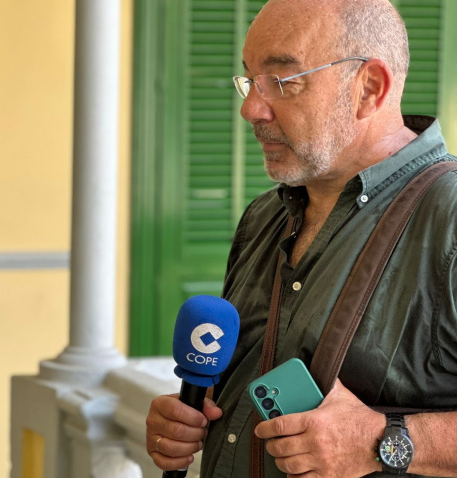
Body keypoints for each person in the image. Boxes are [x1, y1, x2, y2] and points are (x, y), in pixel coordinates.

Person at [145, 0, 457, 476]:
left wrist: (382, 439)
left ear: (369, 88)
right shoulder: (263, 216)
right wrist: (194, 414)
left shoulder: (450, 219)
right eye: (249, 79)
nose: (250, 107)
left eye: (284, 81)